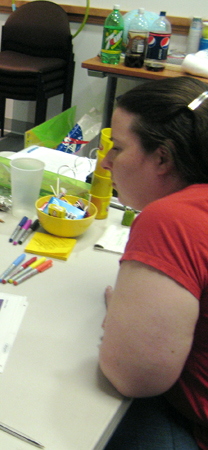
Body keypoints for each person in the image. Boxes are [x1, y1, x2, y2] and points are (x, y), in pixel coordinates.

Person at [98, 76, 208, 449]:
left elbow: (132, 376)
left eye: (117, 148)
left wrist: (120, 319)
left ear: (162, 157)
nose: (106, 162)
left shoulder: (173, 219)